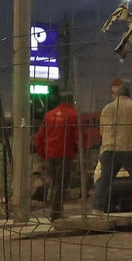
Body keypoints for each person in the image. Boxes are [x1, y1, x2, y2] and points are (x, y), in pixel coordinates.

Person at [94, 77, 132, 213]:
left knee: (105, 181)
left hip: (109, 149)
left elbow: (102, 129)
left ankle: (97, 208)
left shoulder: (107, 108)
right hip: (128, 148)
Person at [35, 92, 80, 221]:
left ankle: (54, 209)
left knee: (54, 182)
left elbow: (40, 136)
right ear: (71, 101)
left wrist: (42, 154)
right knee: (61, 183)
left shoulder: (49, 115)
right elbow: (79, 135)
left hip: (50, 153)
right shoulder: (72, 115)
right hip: (64, 153)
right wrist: (78, 150)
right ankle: (56, 213)